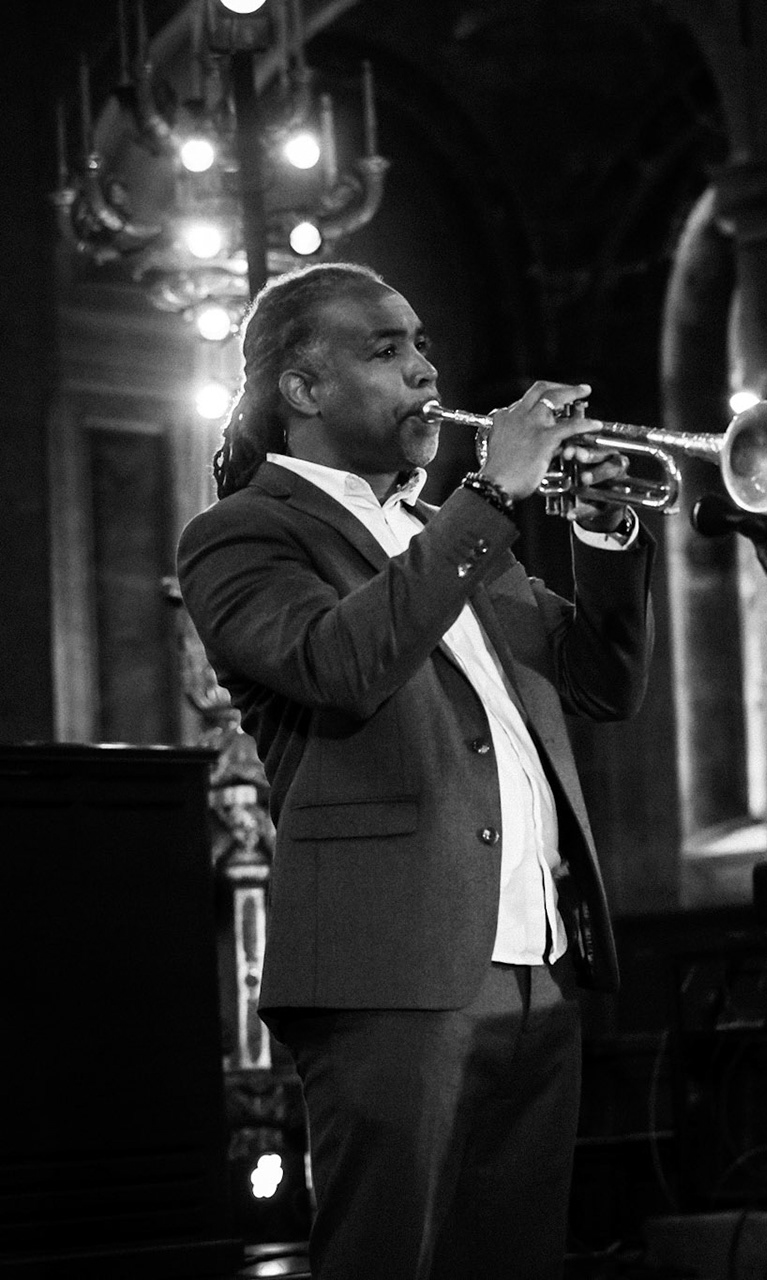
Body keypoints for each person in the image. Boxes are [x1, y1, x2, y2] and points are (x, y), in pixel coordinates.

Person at [176, 262, 655, 1278]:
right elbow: (341, 664)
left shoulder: (441, 530)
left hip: (537, 958)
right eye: (385, 351)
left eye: (423, 343)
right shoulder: (242, 534)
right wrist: (488, 498)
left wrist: (603, 530)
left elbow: (599, 684)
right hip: (389, 967)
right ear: (305, 390)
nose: (425, 370)